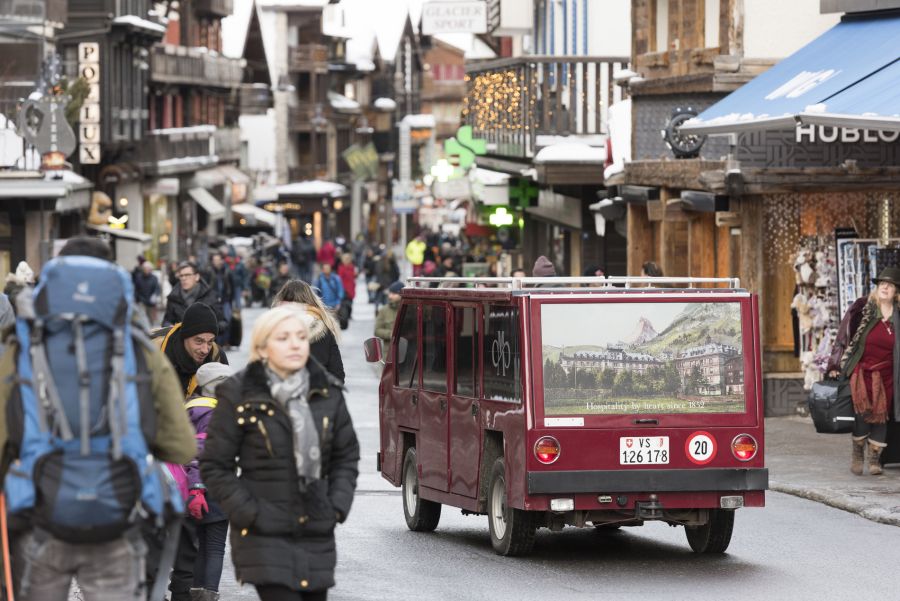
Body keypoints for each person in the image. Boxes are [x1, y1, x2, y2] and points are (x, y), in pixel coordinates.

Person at [0, 236, 196, 601]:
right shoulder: (138, 347)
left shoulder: (22, 345)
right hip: (116, 516)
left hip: (40, 514)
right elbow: (181, 446)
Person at [201, 306, 360, 601]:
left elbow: (346, 456)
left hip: (315, 530)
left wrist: (336, 506)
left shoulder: (327, 391)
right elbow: (215, 465)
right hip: (263, 533)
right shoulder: (239, 392)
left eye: (301, 337)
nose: (295, 344)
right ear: (263, 347)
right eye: (283, 338)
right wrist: (248, 511)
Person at [828, 267, 900, 476]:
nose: (885, 287)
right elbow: (843, 335)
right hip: (863, 370)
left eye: (890, 285)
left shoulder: (898, 314)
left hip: (889, 373)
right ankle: (858, 452)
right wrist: (835, 364)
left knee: (882, 414)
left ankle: (875, 458)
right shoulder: (862, 307)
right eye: (882, 284)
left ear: (896, 291)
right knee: (862, 413)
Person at [170, 363, 233, 601]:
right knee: (214, 547)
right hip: (214, 486)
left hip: (187, 486)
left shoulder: (190, 408)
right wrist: (198, 488)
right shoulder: (213, 413)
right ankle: (206, 596)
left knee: (195, 548)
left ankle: (192, 593)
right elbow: (201, 453)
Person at [273, 280, 345, 382]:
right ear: (311, 299)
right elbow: (337, 373)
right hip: (317, 387)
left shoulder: (271, 327)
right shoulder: (323, 328)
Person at [153, 302, 229, 397]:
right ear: (184, 337)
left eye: (210, 342)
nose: (205, 350)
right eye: (199, 341)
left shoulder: (217, 356)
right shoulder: (154, 349)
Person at [163, 261, 225, 328]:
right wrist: (169, 326)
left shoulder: (210, 295)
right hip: (181, 334)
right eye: (181, 276)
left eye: (187, 275)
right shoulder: (173, 297)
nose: (184, 278)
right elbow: (166, 321)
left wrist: (208, 328)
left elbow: (222, 323)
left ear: (197, 277)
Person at [208, 253, 234, 347]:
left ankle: (226, 341)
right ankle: (217, 342)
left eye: (218, 260)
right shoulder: (209, 272)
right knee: (216, 321)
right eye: (214, 260)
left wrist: (230, 300)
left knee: (227, 320)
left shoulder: (227, 271)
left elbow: (232, 286)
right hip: (214, 301)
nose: (216, 262)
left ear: (222, 261)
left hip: (225, 300)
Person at [374, 281, 403, 347]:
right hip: (389, 351)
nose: (390, 296)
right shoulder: (384, 310)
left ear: (401, 295)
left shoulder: (409, 309)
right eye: (390, 293)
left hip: (407, 350)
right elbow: (377, 331)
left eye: (394, 294)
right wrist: (391, 334)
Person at [134, 258, 162, 325]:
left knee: (151, 320)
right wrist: (138, 299)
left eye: (148, 269)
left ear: (150, 269)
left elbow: (157, 288)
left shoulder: (154, 278)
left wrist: (155, 295)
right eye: (145, 268)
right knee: (142, 320)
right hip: (141, 302)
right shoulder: (138, 277)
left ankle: (151, 329)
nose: (146, 270)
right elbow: (135, 290)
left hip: (151, 304)